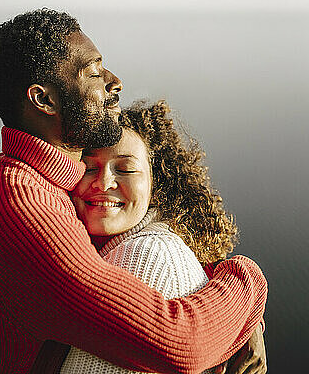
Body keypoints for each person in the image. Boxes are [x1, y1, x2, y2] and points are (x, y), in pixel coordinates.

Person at [0, 9, 267, 374]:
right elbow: (181, 343)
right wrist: (247, 282)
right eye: (95, 72)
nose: (115, 82)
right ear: (44, 100)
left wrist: (230, 304)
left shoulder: (49, 183)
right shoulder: (20, 207)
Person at [62, 99, 264, 373]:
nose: (103, 182)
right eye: (88, 168)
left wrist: (249, 287)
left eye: (126, 169)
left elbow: (186, 342)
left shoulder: (147, 256)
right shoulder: (107, 246)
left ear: (156, 182)